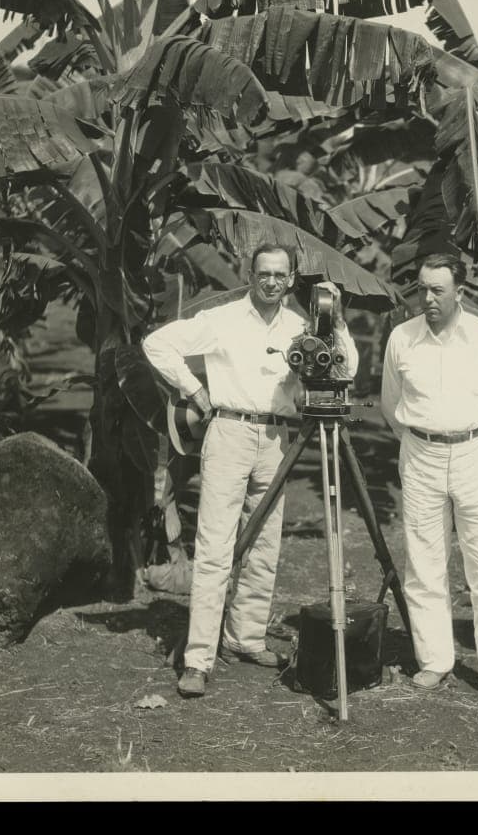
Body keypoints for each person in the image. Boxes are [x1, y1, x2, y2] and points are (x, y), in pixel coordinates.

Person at [142, 245, 358, 698]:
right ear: (250, 274)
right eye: (264, 273)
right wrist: (196, 391)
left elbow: (347, 369)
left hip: (279, 438)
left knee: (264, 546)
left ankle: (246, 638)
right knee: (216, 547)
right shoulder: (221, 319)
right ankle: (198, 658)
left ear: (291, 278)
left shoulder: (301, 325)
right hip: (230, 431)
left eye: (281, 275)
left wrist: (335, 321)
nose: (272, 282)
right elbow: (156, 343)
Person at [380, 253, 478, 706]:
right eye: (422, 288)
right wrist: (423, 436)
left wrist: (468, 435)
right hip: (420, 453)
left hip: (476, 451)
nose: (427, 298)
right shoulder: (402, 337)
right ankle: (434, 660)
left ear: (459, 291)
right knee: (423, 564)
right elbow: (390, 404)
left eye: (437, 290)